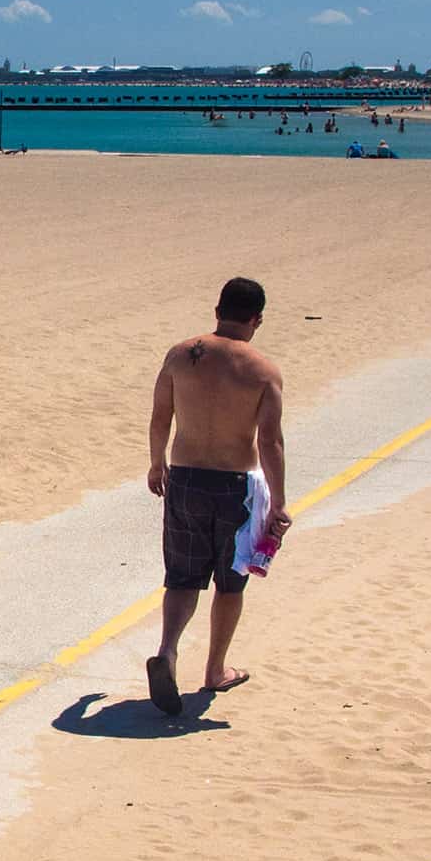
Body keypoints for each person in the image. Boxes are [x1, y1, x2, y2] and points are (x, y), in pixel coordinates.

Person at [144, 277, 289, 716]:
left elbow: (160, 417)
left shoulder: (180, 356)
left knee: (183, 577)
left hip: (184, 479)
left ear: (217, 310)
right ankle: (215, 670)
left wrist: (156, 463)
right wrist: (279, 502)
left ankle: (167, 651)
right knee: (231, 581)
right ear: (256, 319)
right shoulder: (262, 371)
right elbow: (270, 442)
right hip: (236, 488)